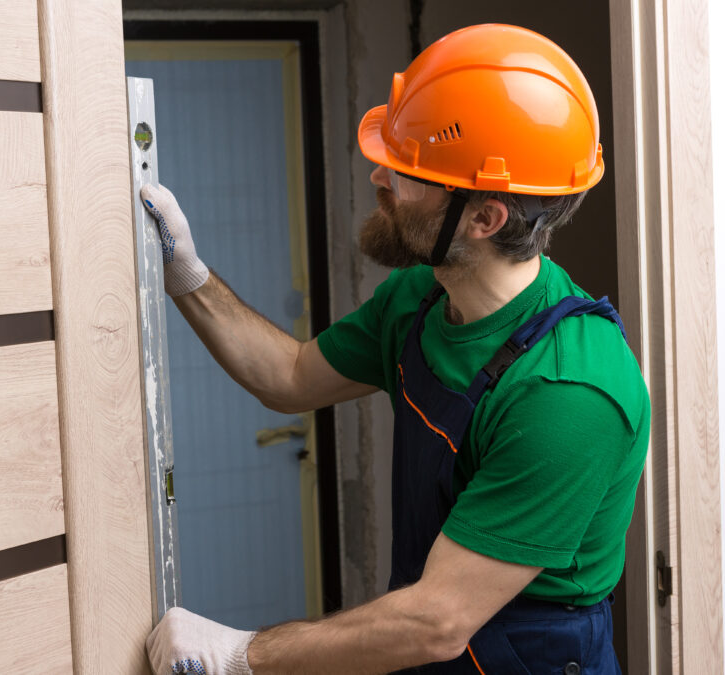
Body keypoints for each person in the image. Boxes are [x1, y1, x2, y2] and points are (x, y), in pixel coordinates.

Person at [142, 23, 650, 675]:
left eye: (409, 171)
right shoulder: (418, 299)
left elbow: (437, 619)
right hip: (428, 641)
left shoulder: (570, 393)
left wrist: (239, 654)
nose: (379, 174)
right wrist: (188, 276)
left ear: (483, 217)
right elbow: (291, 376)